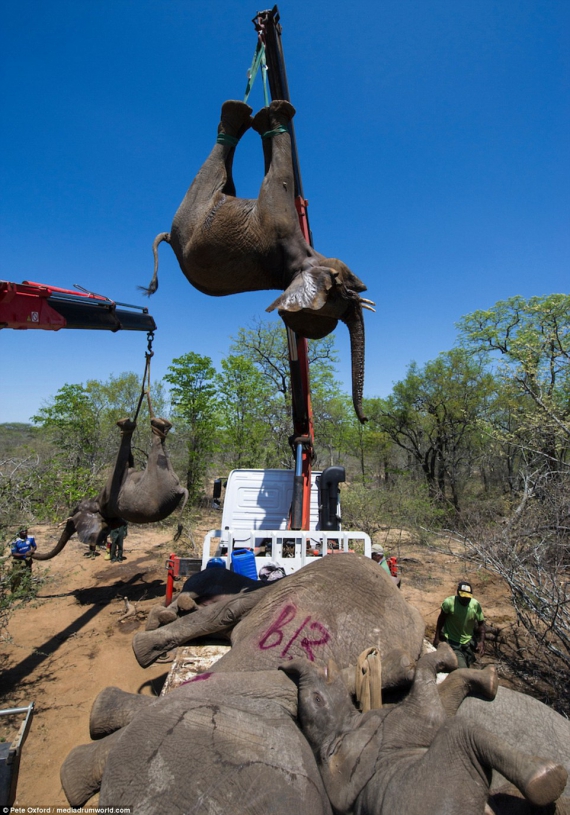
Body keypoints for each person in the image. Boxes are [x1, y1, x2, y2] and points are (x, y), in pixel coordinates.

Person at [433, 580, 486, 668]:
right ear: (458, 593)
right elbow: (441, 620)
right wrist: (437, 637)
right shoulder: (449, 603)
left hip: (468, 641)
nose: (465, 599)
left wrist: (481, 642)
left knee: (471, 661)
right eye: (463, 597)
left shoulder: (475, 605)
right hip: (452, 641)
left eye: (468, 597)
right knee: (462, 669)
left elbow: (481, 625)